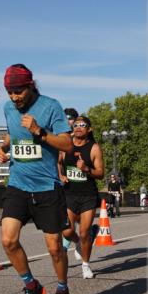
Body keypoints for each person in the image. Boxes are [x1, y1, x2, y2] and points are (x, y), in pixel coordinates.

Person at [0, 64, 74, 294]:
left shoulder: (51, 106)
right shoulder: (8, 108)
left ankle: (62, 290)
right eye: (10, 92)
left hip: (47, 187)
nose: (14, 97)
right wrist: (4, 147)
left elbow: (67, 144)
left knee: (54, 248)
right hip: (18, 184)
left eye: (18, 91)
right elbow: (12, 134)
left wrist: (40, 131)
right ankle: (31, 286)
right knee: (8, 240)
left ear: (30, 86)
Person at [58, 115, 103, 280]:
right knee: (67, 231)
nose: (78, 127)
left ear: (89, 129)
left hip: (88, 196)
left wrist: (86, 169)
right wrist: (61, 175)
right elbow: (59, 162)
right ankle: (77, 243)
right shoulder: (66, 145)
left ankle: (85, 265)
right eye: (76, 124)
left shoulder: (94, 148)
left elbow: (100, 173)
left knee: (84, 233)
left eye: (82, 125)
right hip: (69, 193)